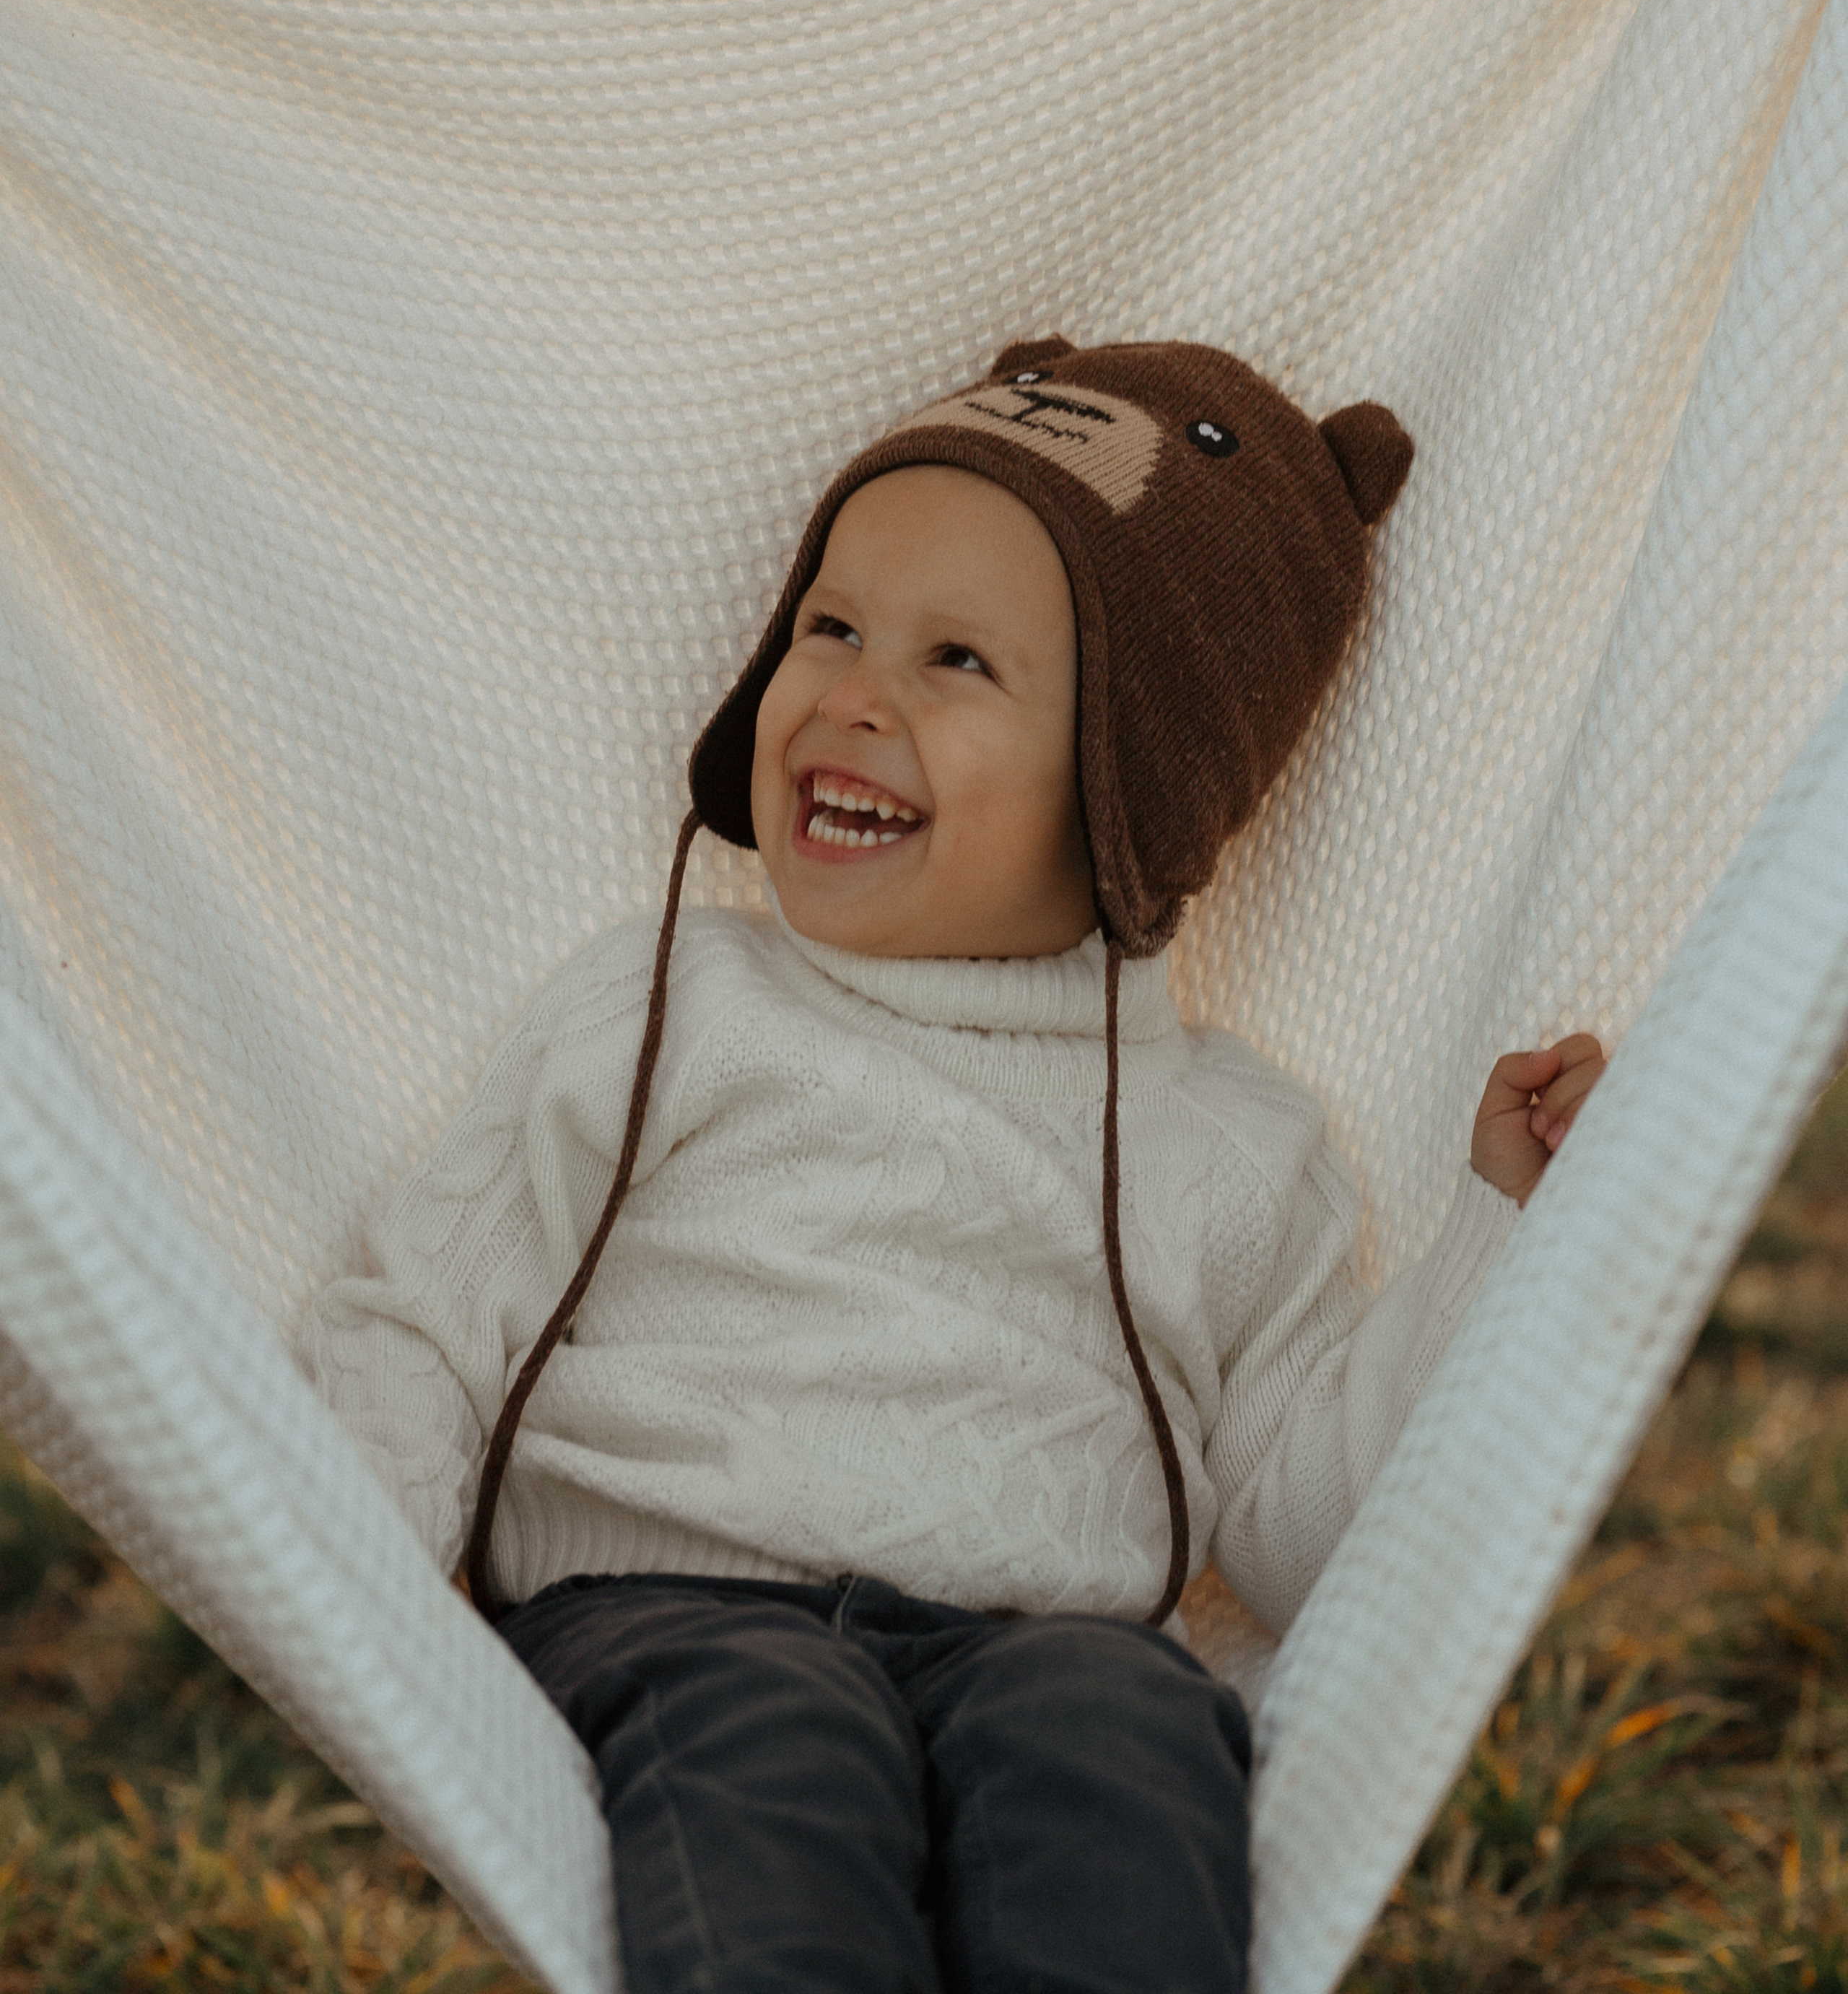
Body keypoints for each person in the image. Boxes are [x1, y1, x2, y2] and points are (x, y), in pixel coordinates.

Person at [304, 335, 1605, 1994]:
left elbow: (1299, 1525)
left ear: (1135, 778)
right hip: (661, 1608)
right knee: (770, 1738)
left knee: (1130, 1734)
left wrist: (1506, 1233)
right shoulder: (665, 1009)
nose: (851, 693)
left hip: (1040, 1643)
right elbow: (431, 1312)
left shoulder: (1227, 1142)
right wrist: (347, 1593)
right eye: (829, 628)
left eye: (955, 663)